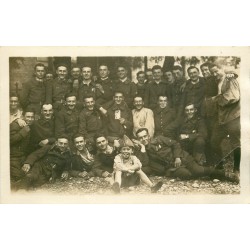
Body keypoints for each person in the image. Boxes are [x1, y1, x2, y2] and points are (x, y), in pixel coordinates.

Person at [135, 128, 238, 182]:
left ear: (149, 135)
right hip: (173, 168)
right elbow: (145, 163)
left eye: (145, 136)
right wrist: (143, 149)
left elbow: (176, 144)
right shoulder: (142, 152)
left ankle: (225, 175)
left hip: (183, 158)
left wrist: (177, 157)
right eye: (141, 138)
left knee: (197, 170)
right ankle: (209, 173)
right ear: (139, 140)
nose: (144, 139)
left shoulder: (160, 139)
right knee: (186, 175)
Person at [209, 63, 240, 180]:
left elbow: (233, 97)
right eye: (213, 73)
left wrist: (216, 99)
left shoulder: (229, 78)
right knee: (214, 141)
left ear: (223, 69)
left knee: (236, 143)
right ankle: (220, 170)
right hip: (222, 117)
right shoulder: (218, 81)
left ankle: (237, 171)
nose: (215, 74)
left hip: (233, 116)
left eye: (216, 71)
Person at [10, 109, 35, 185]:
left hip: (23, 156)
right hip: (13, 157)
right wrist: (23, 132)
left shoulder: (31, 126)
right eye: (28, 117)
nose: (30, 119)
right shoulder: (15, 125)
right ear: (23, 117)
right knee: (19, 176)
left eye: (32, 117)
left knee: (29, 174)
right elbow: (9, 140)